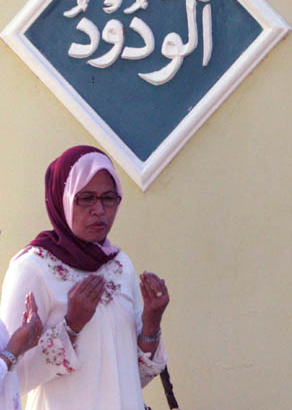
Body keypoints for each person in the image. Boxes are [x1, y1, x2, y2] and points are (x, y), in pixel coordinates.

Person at [0, 145, 169, 410]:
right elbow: (11, 380)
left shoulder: (120, 265)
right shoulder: (33, 268)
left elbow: (131, 377)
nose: (99, 210)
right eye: (86, 198)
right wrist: (70, 327)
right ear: (63, 198)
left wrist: (151, 322)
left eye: (109, 198)